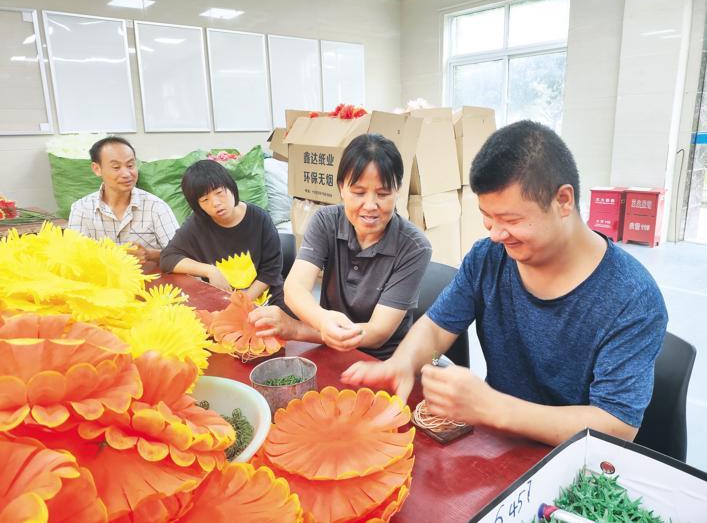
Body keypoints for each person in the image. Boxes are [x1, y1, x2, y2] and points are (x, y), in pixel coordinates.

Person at [342, 120, 668, 445]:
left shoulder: (631, 297)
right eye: (487, 216)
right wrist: (404, 362)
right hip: (497, 444)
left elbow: (616, 426)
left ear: (563, 201)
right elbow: (437, 329)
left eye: (511, 220)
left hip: (570, 459)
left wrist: (492, 408)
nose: (496, 234)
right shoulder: (488, 258)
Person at [282, 133, 433, 360]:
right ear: (341, 188)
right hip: (330, 350)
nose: (370, 205)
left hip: (383, 359)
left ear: (398, 190)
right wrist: (322, 320)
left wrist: (297, 330)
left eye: (383, 194)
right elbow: (295, 287)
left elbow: (378, 333)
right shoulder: (326, 222)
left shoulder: (414, 247)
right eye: (358, 192)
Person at [160, 159, 287, 310]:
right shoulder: (197, 224)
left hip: (268, 298)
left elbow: (272, 270)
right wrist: (210, 270)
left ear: (231, 187)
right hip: (222, 302)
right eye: (205, 200)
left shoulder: (260, 218)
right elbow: (168, 258)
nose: (215, 203)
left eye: (219, 193)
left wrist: (243, 301)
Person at [68, 136, 178, 264]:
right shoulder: (81, 209)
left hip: (149, 276)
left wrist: (150, 255)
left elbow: (181, 254)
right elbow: (74, 256)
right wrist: (110, 254)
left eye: (130, 165)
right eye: (116, 167)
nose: (126, 174)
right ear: (97, 169)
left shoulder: (156, 206)